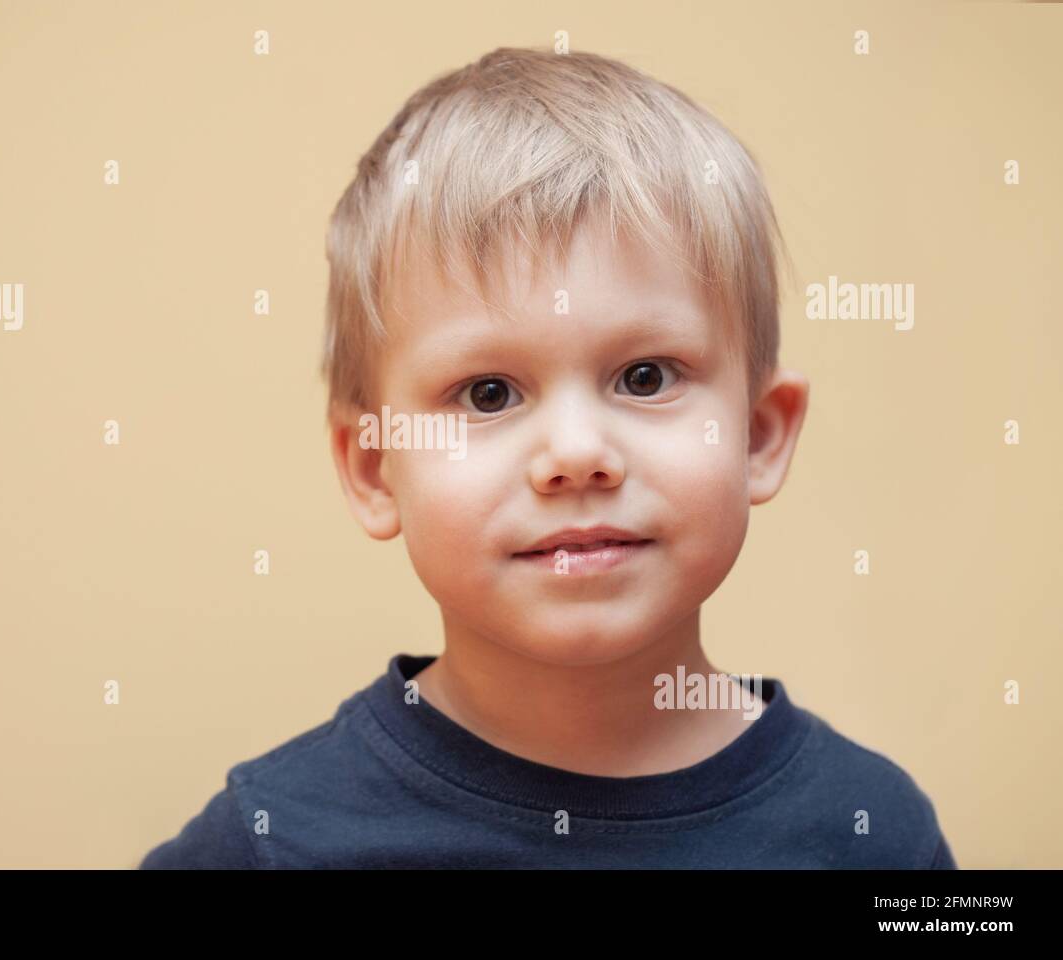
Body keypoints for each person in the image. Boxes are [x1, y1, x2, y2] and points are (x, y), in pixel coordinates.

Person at [141, 46, 956, 869]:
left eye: (644, 378)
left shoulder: (873, 834)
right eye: (488, 393)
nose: (575, 455)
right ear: (373, 467)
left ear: (760, 436)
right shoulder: (273, 842)